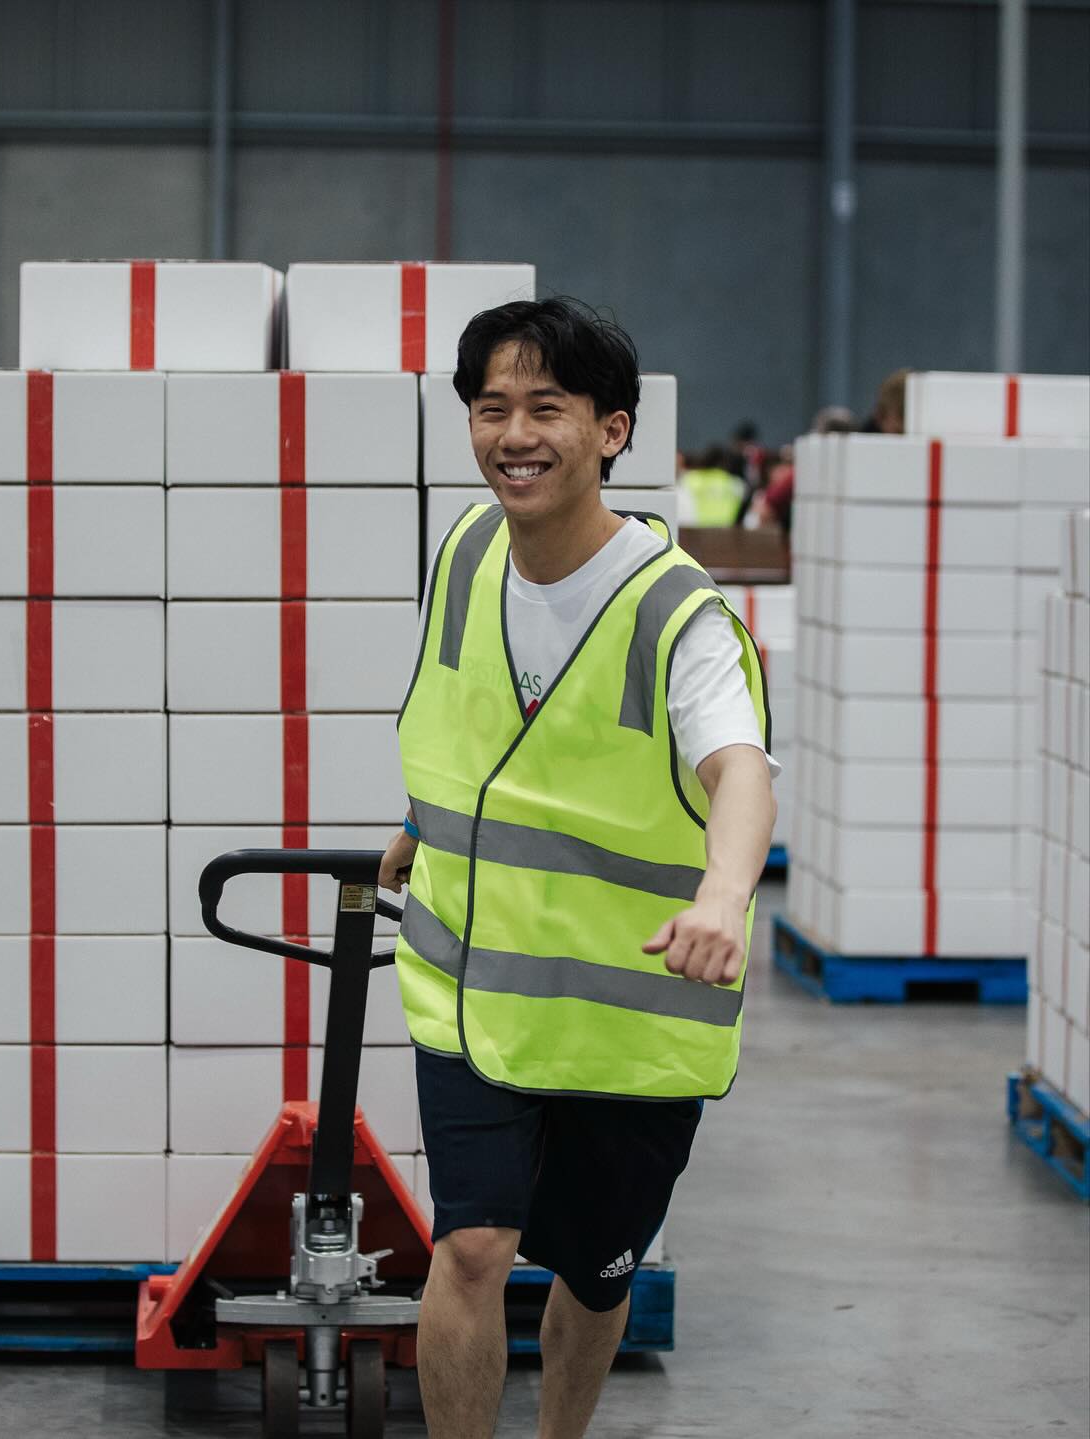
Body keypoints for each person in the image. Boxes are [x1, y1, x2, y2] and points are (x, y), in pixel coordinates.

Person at [379, 298, 777, 1439]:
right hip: (473, 991)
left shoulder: (677, 613)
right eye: (491, 407)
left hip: (625, 1018)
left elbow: (741, 771)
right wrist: (419, 821)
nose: (515, 434)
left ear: (611, 430)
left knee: (598, 1274)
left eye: (546, 408)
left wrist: (722, 896)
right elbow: (474, 724)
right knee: (470, 1246)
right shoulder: (466, 551)